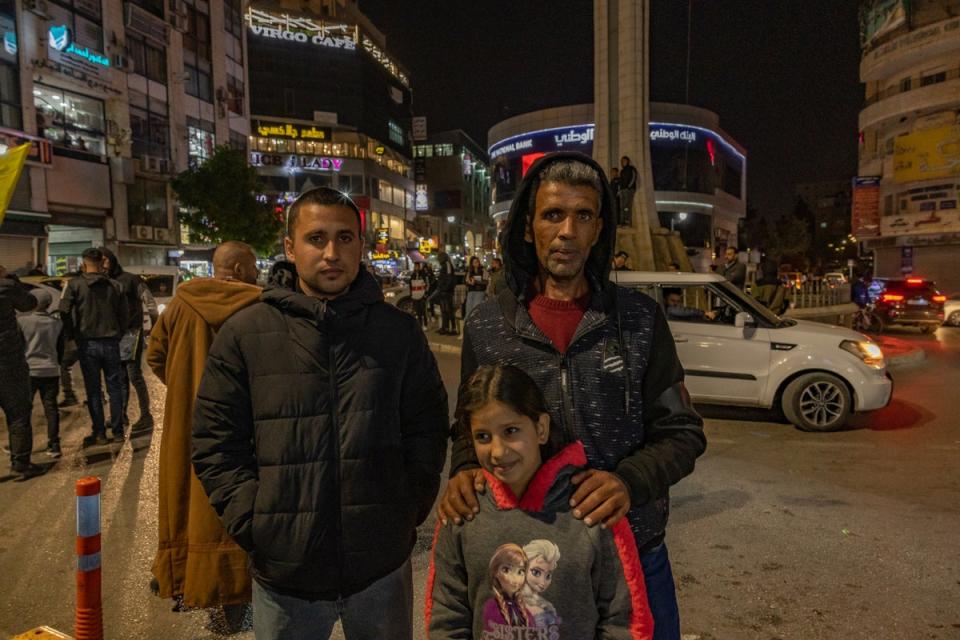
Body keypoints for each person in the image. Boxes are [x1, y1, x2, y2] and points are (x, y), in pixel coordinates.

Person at [438, 152, 706, 640]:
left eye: (582, 215)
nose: (567, 231)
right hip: (533, 565)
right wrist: (462, 471)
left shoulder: (640, 321)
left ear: (600, 228)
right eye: (552, 215)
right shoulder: (489, 325)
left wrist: (627, 482)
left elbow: (682, 432)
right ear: (528, 226)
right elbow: (467, 426)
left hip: (633, 554)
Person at [192, 187, 449, 640]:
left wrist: (404, 510)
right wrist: (256, 523)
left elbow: (427, 427)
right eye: (316, 238)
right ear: (290, 247)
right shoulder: (244, 334)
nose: (332, 253)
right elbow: (216, 442)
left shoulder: (399, 333)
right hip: (284, 575)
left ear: (361, 246)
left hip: (380, 568)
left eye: (345, 238)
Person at [426, 364, 653, 639]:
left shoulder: (592, 506)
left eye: (511, 431)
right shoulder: (463, 509)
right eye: (483, 436)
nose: (498, 451)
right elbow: (446, 616)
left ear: (541, 428)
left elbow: (624, 622)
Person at [147, 241, 262, 634]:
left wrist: (184, 387)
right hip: (242, 420)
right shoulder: (260, 307)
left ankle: (190, 577)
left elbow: (155, 357)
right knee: (235, 498)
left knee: (188, 498)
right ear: (244, 270)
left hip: (188, 421)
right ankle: (233, 586)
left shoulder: (181, 304)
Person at [59, 248, 128, 446]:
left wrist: (72, 333)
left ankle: (99, 432)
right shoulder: (115, 286)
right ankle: (117, 431)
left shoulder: (74, 285)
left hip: (87, 343)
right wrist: (118, 333)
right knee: (115, 388)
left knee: (94, 390)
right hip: (111, 342)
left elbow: (64, 310)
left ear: (84, 263)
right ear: (102, 262)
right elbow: (124, 315)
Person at [100, 247, 153, 431]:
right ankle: (119, 415)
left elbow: (149, 301)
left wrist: (154, 326)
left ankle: (146, 415)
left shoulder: (130, 279)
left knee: (134, 375)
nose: (103, 264)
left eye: (106, 260)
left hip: (131, 332)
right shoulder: (103, 282)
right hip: (113, 335)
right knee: (118, 377)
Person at [0, 265, 41, 478]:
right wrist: (11, 280)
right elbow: (29, 303)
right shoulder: (5, 287)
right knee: (18, 413)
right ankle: (21, 464)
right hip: (8, 361)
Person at [18, 288, 65, 458]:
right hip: (51, 370)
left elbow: (19, 346)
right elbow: (61, 349)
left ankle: (22, 446)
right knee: (51, 409)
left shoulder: (23, 322)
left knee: (23, 410)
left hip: (29, 370)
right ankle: (54, 444)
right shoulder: (56, 323)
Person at [433, 251, 457, 335]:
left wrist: (444, 288)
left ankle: (453, 329)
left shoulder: (447, 264)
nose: (438, 259)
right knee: (444, 311)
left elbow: (449, 278)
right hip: (443, 291)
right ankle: (445, 328)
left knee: (449, 311)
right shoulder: (444, 265)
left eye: (439, 257)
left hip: (447, 292)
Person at [617, 155, 637, 227]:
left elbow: (634, 177)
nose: (623, 162)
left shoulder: (631, 169)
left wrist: (629, 187)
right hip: (622, 190)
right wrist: (619, 190)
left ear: (628, 161)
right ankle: (622, 222)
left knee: (627, 206)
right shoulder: (622, 171)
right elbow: (620, 180)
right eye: (622, 161)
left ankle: (627, 222)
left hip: (628, 190)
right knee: (622, 207)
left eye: (624, 161)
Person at [410, 261, 431, 329]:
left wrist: (426, 293)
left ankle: (425, 324)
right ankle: (420, 324)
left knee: (423, 311)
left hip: (422, 295)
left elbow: (427, 284)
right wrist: (411, 294)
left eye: (417, 266)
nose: (416, 267)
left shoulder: (423, 274)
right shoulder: (412, 275)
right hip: (415, 296)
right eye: (415, 266)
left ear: (419, 267)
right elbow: (411, 285)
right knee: (418, 311)